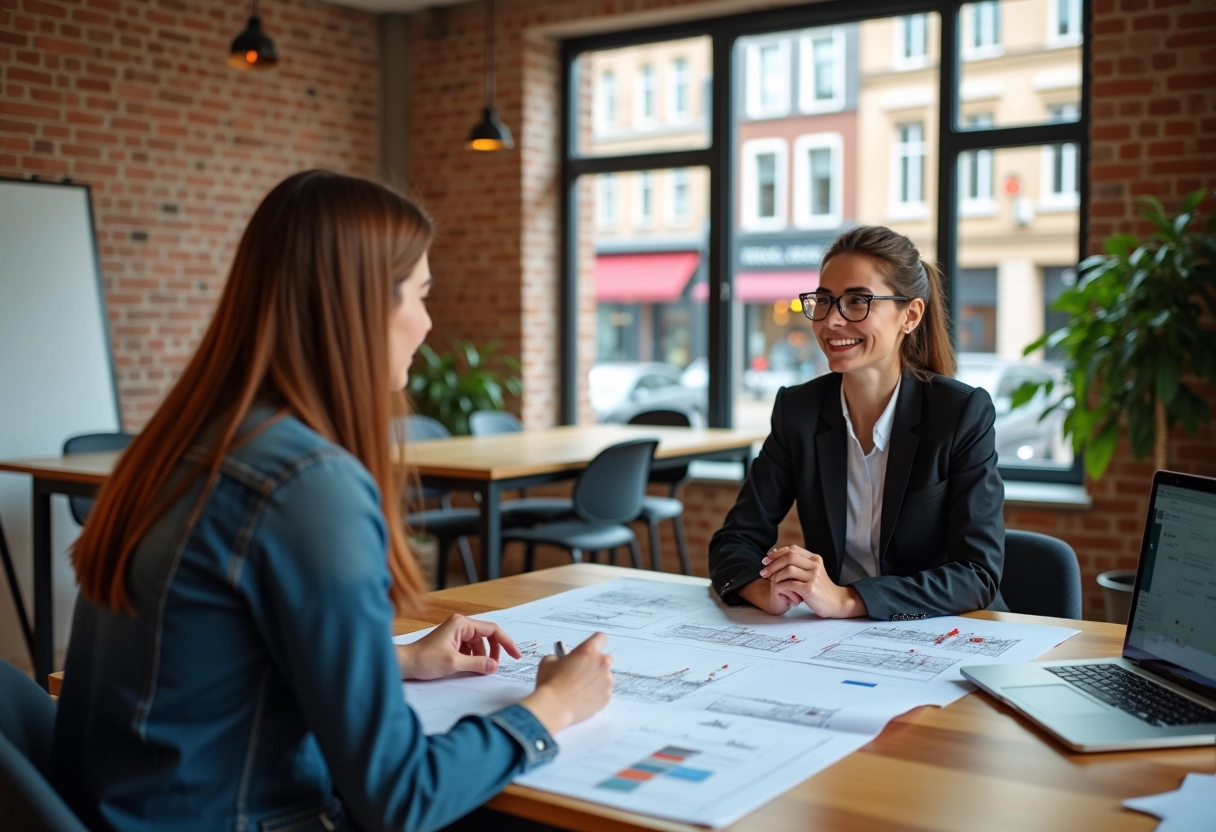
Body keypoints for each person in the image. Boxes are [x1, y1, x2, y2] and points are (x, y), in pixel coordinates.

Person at [51, 170, 614, 832]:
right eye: (422, 296)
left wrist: (393, 660)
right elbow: (401, 797)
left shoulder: (181, 443)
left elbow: (218, 655)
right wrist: (551, 707)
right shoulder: (307, 484)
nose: (430, 324)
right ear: (363, 304)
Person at [709, 225, 1004, 621]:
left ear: (910, 316)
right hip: (833, 641)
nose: (832, 321)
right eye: (825, 301)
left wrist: (848, 600)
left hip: (944, 633)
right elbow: (735, 539)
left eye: (857, 301)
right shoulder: (798, 411)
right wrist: (764, 591)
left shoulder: (960, 414)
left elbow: (977, 574)